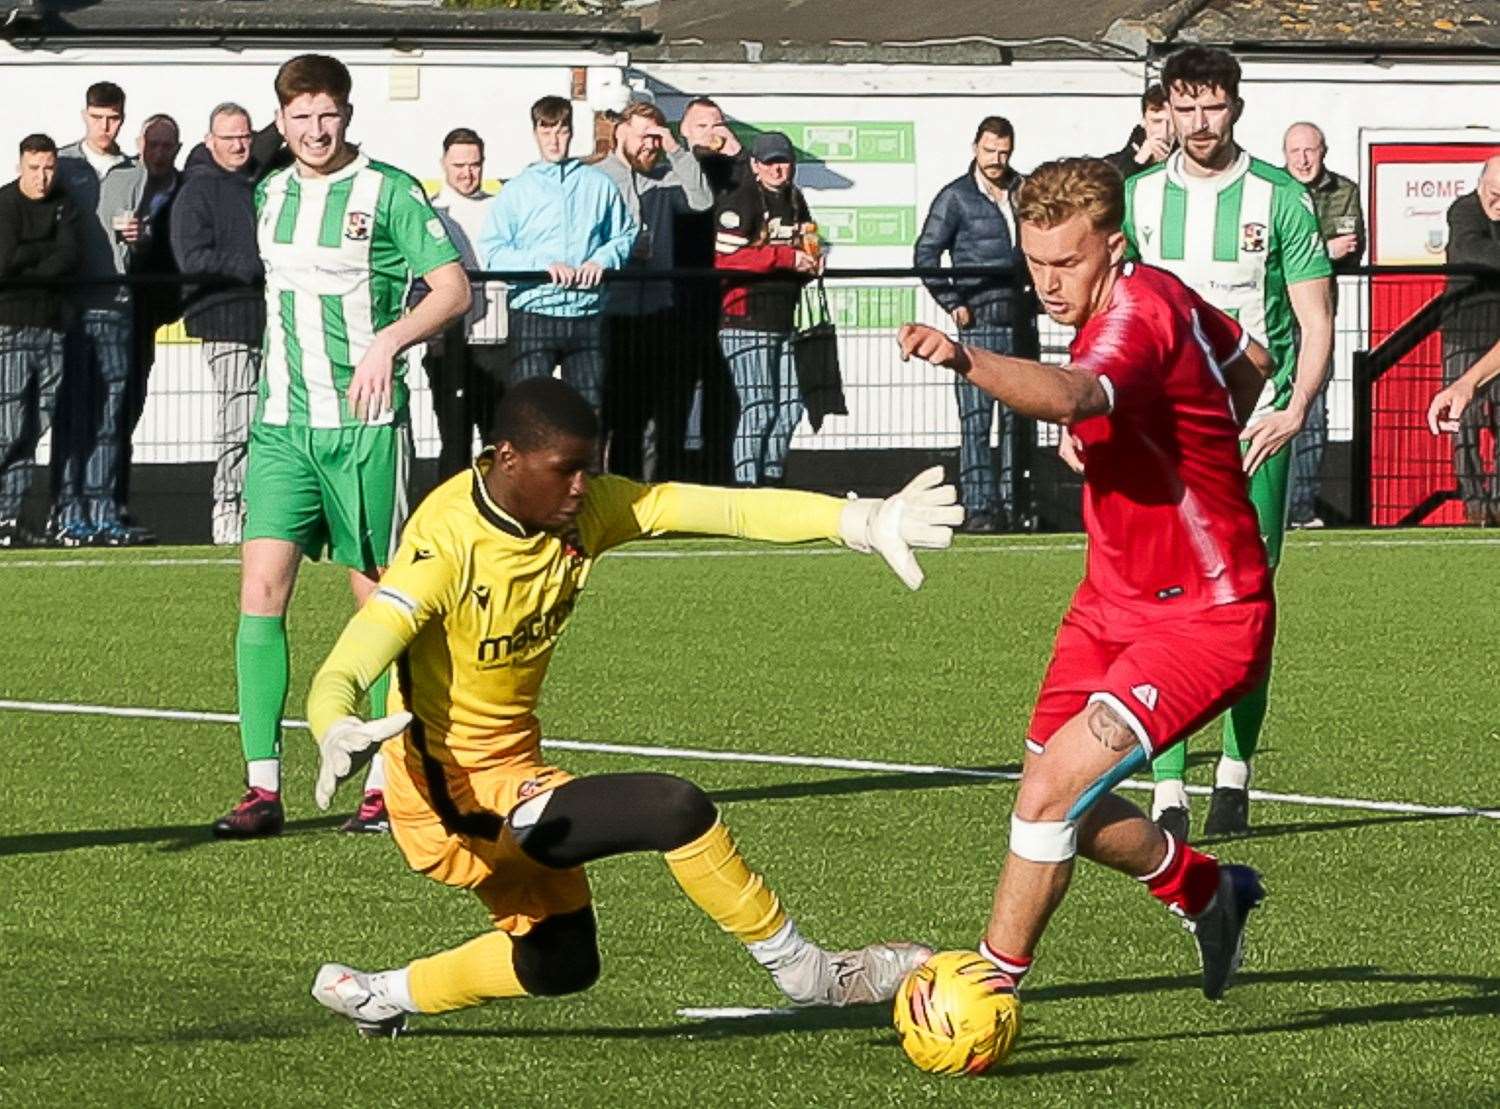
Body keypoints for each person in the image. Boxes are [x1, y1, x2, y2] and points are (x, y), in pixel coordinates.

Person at [303, 375, 961, 1036]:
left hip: (515, 773)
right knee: (671, 807)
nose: (582, 487)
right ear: (508, 459)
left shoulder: (580, 510)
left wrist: (857, 519)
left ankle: (380, 993)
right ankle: (810, 973)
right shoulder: (442, 547)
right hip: (454, 801)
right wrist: (335, 722)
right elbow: (352, 657)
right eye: (566, 470)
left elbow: (717, 508)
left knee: (562, 964)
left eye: (589, 467)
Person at [897, 155, 1277, 1033]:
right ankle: (1206, 888)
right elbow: (1246, 360)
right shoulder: (1166, 295)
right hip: (1110, 599)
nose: (1048, 282)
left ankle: (985, 993)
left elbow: (1076, 393)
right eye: (1034, 263)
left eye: (1066, 263)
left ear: (1114, 245)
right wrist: (1164, 433)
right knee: (1050, 789)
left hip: (1207, 617)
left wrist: (964, 355)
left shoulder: (1138, 315)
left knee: (1044, 798)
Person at [211, 53, 471, 839]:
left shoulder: (388, 192)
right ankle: (262, 787)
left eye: (327, 115)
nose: (315, 130)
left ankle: (391, 783)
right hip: (283, 426)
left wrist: (389, 341)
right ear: (280, 121)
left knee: (378, 603)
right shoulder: (270, 193)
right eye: (300, 118)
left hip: (363, 431)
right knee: (260, 593)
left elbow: (454, 288)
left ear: (346, 115)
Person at [1121, 46, 1334, 839]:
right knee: (1164, 600)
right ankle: (1168, 782)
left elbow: (1316, 319)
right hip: (1160, 434)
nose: (1199, 122)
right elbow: (1112, 316)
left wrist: (1297, 408)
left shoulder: (1279, 199)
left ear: (1236, 107)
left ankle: (1236, 774)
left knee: (1246, 602)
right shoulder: (1139, 200)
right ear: (1165, 111)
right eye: (1185, 107)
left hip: (1253, 431)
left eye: (1212, 106)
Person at [477, 96, 635, 416]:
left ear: (572, 133)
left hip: (587, 312)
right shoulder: (517, 190)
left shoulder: (598, 184)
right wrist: (543, 268)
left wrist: (601, 261)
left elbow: (624, 234)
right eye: (546, 131)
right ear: (535, 133)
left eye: (561, 131)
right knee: (529, 410)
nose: (554, 140)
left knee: (590, 412)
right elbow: (493, 250)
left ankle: (585, 469)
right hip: (534, 312)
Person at [914, 116, 1035, 531]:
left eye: (1004, 152)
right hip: (978, 321)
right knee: (976, 422)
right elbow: (926, 255)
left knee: (1020, 421)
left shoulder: (1025, 190)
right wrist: (953, 301)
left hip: (1020, 321)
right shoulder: (955, 197)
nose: (997, 159)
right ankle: (980, 509)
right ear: (974, 148)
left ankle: (1017, 504)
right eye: (990, 151)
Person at [596, 99, 713, 481]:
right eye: (643, 136)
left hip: (658, 312)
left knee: (650, 416)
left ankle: (644, 497)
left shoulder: (666, 175)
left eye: (656, 138)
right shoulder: (596, 178)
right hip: (609, 312)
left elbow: (702, 199)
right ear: (620, 132)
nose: (650, 145)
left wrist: (675, 147)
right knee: (610, 413)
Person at [53, 81, 148, 547]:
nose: (105, 127)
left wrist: (138, 236)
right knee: (72, 413)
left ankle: (103, 511)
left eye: (112, 118)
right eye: (97, 117)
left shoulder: (136, 171)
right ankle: (68, 511)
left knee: (111, 414)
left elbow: (141, 235)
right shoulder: (64, 164)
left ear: (122, 119)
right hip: (72, 305)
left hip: (117, 302)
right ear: (85, 115)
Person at [170, 102, 265, 546]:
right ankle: (227, 507)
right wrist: (247, 266)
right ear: (211, 141)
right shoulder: (196, 191)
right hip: (222, 318)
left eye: (244, 135)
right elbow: (192, 258)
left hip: (267, 320)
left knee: (268, 421)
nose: (239, 144)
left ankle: (259, 508)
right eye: (229, 137)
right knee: (238, 418)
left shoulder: (261, 184)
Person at [714, 131, 818, 487]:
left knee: (790, 407)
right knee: (758, 408)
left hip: (784, 318)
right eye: (770, 162)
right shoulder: (739, 201)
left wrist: (810, 263)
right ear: (755, 166)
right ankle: (746, 486)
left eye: (783, 161)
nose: (778, 169)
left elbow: (807, 244)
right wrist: (785, 256)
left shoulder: (795, 200)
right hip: (744, 318)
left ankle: (772, 479)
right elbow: (724, 260)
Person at [1283, 121, 1365, 529]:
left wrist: (1303, 250)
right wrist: (1321, 248)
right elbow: (1268, 254)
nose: (1302, 159)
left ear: (1323, 151)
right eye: (1295, 151)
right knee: (1264, 403)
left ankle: (1302, 508)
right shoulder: (1274, 190)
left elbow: (1350, 247)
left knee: (1312, 410)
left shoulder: (1343, 190)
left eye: (1309, 150)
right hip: (1274, 316)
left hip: (1318, 318)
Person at [0, 134, 81, 548]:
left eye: (49, 167)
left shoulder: (65, 202)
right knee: (8, 426)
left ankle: (8, 518)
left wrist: (31, 257)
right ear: (20, 167)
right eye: (34, 168)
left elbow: (69, 256)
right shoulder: (5, 204)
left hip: (53, 327)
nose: (43, 176)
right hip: (12, 326)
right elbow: (4, 262)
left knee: (35, 426)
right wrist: (41, 254)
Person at [419, 127, 508, 481]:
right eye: (459, 165)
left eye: (474, 165)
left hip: (496, 339)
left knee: (496, 439)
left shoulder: (500, 208)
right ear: (443, 164)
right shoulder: (431, 213)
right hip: (447, 343)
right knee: (453, 440)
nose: (467, 173)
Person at [674, 96, 745, 483]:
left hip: (727, 300)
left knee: (725, 392)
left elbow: (766, 198)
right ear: (683, 131)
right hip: (679, 297)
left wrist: (738, 153)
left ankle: (722, 476)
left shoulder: (736, 171)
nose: (712, 133)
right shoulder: (675, 170)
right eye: (702, 126)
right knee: (678, 392)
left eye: (717, 124)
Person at [118, 112, 183, 536]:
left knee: (128, 410)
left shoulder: (185, 191)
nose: (159, 154)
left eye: (167, 146)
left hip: (146, 317)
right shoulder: (124, 184)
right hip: (108, 309)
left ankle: (116, 502)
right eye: (152, 145)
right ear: (140, 145)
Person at [1440, 157, 1500, 526]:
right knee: (1462, 420)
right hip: (1465, 329)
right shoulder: (1463, 210)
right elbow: (1470, 252)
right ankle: (1475, 503)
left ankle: (1499, 500)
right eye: (1495, 194)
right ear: (1480, 186)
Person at [1102, 84, 1174, 181]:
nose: (1164, 130)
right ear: (1143, 121)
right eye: (1157, 122)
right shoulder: (1112, 165)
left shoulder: (1195, 160)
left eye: (1173, 123)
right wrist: (1137, 162)